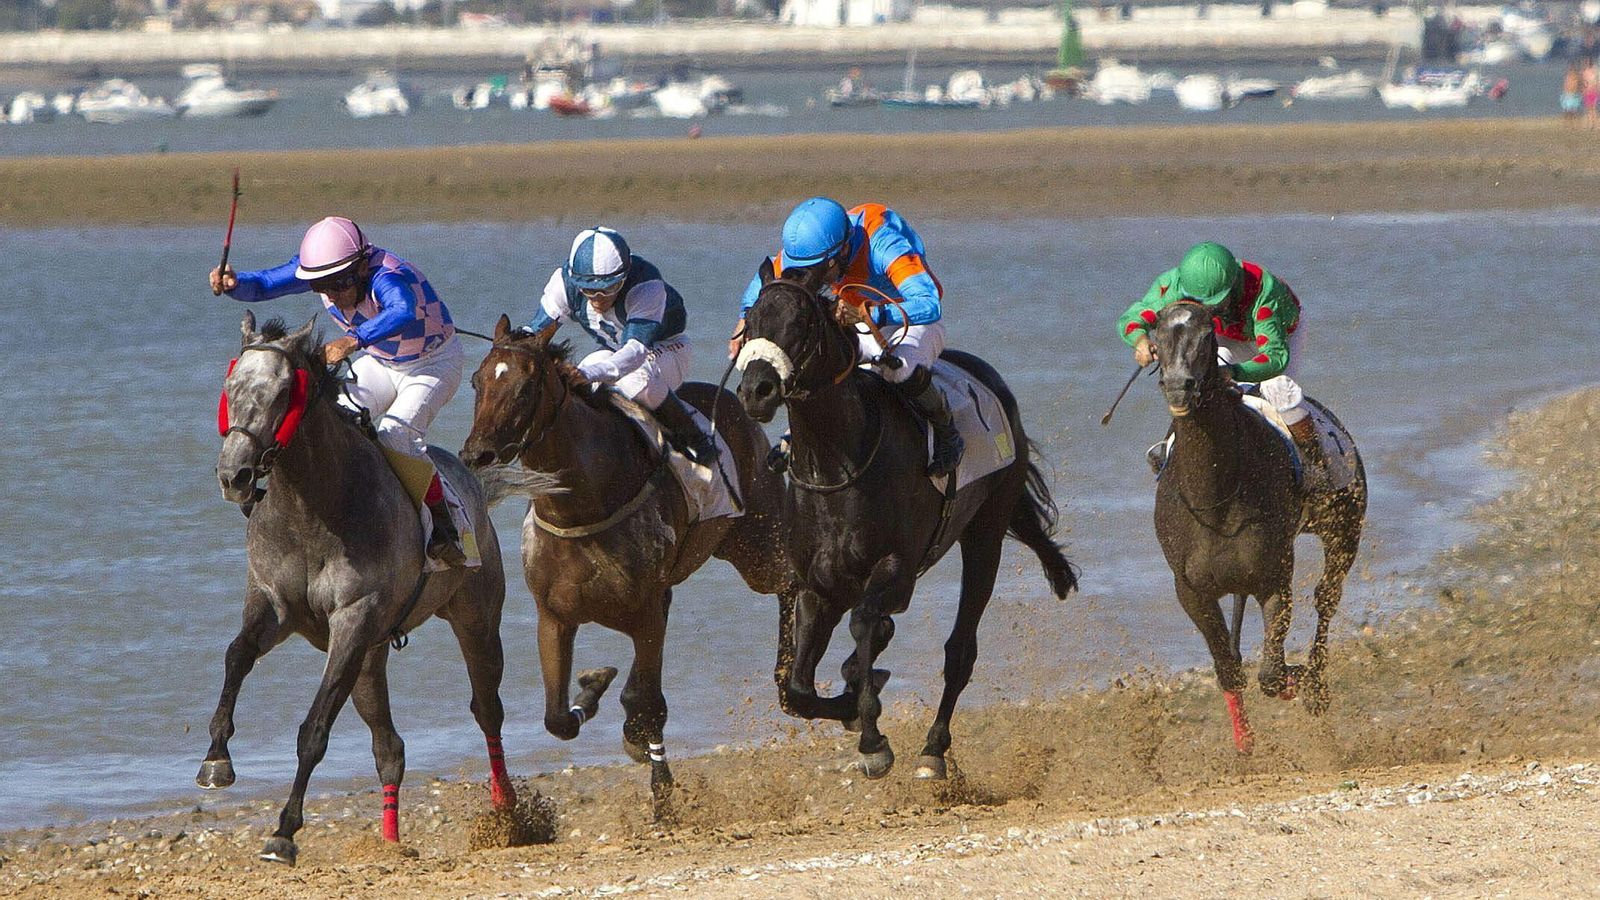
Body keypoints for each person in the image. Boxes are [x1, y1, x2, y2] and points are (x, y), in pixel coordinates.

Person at [210, 216, 467, 565]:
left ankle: (444, 522)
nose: (331, 293)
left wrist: (352, 340)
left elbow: (403, 310)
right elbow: (266, 285)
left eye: (339, 283)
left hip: (433, 363)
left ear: (362, 266)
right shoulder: (326, 272)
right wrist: (235, 284)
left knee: (394, 434)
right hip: (381, 362)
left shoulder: (387, 276)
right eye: (321, 286)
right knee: (330, 417)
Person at [730, 197, 963, 477]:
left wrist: (869, 315)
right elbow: (762, 286)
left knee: (900, 369)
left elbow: (929, 303)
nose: (809, 278)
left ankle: (947, 432)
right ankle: (798, 434)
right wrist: (744, 319)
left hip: (909, 319)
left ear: (838, 256)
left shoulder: (883, 242)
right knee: (818, 356)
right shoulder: (811, 246)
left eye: (817, 270)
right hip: (857, 321)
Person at [1118, 241, 1319, 476]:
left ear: (1232, 287)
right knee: (1195, 381)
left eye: (1212, 304)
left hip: (1278, 336)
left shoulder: (1264, 293)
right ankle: (1170, 446)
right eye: (1197, 302)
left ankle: (1317, 466)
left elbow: (1275, 357)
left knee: (1279, 391)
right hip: (1225, 335)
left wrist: (1233, 373)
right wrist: (1140, 341)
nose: (1203, 309)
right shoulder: (1172, 286)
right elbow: (1132, 318)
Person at [522, 226, 718, 465]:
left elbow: (635, 353)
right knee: (580, 379)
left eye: (609, 289)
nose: (597, 300)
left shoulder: (646, 285)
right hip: (615, 354)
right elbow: (533, 335)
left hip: (667, 350)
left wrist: (586, 374)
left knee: (635, 376)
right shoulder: (564, 283)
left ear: (624, 278)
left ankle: (695, 437)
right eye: (588, 291)